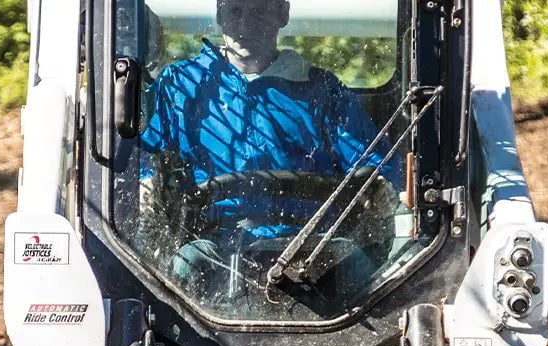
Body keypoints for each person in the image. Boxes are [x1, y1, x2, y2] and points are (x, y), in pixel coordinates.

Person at [139, 0, 400, 299]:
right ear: (220, 16)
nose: (245, 24)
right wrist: (146, 179)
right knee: (185, 268)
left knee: (367, 281)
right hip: (216, 245)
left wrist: (380, 185)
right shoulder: (182, 85)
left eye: (259, 10)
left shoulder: (323, 90)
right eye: (235, 11)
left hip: (313, 245)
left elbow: (374, 163)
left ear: (283, 14)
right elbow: (144, 154)